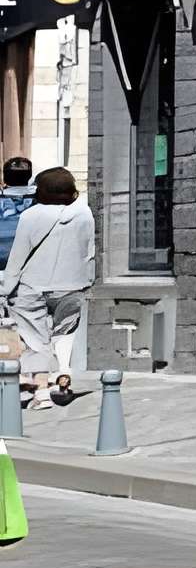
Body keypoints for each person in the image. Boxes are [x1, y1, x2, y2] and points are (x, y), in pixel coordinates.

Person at [0, 165, 96, 404]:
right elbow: (89, 251)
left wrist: (4, 290)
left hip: (32, 286)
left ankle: (41, 391)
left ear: (40, 192)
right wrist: (88, 280)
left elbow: (18, 257)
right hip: (72, 284)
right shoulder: (85, 214)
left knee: (36, 340)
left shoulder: (30, 216)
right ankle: (63, 371)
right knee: (64, 332)